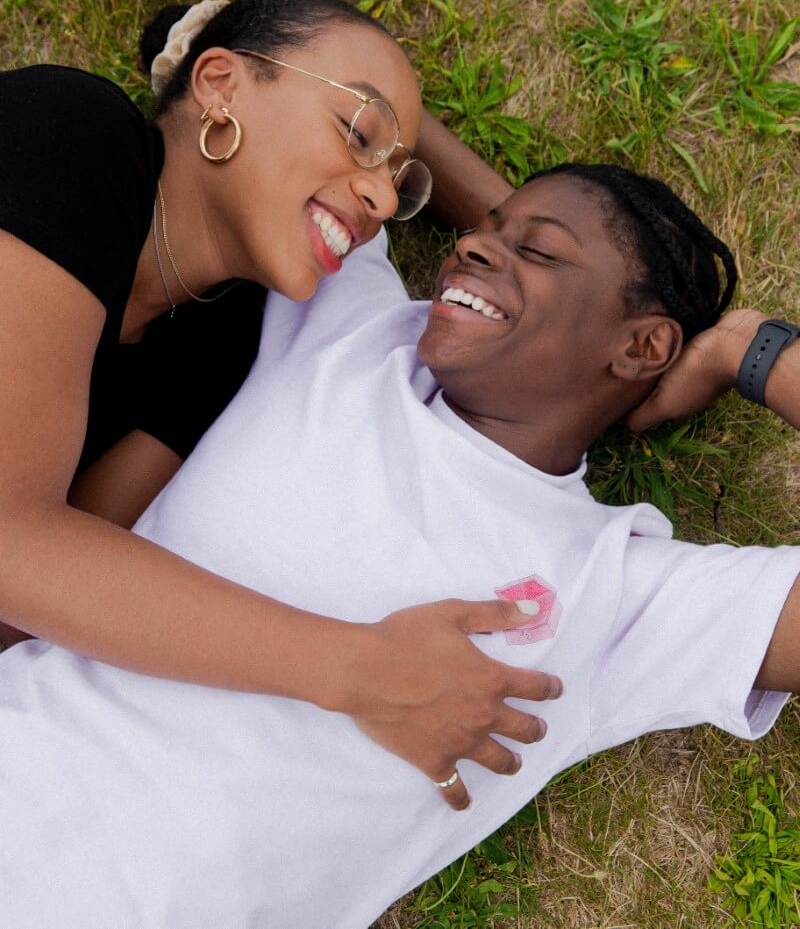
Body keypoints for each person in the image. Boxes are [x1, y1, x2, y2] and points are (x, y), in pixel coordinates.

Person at [0, 164, 797, 928]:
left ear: (643, 347)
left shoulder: (615, 587)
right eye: (483, 230)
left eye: (540, 249)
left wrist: (749, 350)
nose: (470, 246)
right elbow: (315, 105)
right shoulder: (351, 326)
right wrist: (507, 227)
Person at [0, 0, 555, 795]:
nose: (383, 199)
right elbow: (16, 547)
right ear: (220, 85)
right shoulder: (71, 139)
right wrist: (360, 668)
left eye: (402, 178)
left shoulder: (222, 338)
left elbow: (31, 608)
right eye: (360, 132)